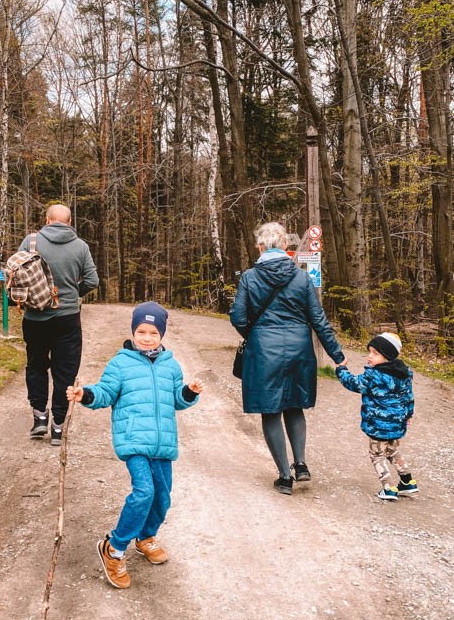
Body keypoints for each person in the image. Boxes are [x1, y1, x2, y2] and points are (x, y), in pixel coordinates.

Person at [67, 302, 204, 590]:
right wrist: (86, 394)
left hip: (162, 443)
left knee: (162, 498)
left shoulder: (171, 365)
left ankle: (145, 536)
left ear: (162, 335)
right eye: (141, 331)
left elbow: (176, 401)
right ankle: (114, 549)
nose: (146, 337)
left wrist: (188, 393)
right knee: (144, 492)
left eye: (153, 332)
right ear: (133, 331)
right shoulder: (121, 363)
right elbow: (105, 392)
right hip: (134, 441)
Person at [229, 221, 345, 495]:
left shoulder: (249, 277)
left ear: (260, 247)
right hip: (299, 350)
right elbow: (319, 320)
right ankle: (301, 463)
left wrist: (255, 334)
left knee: (271, 411)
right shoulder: (301, 277)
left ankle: (284, 476)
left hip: (263, 353)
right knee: (294, 406)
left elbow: (238, 317)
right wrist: (338, 356)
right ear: (284, 246)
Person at [19, 203, 98, 446]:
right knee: (65, 372)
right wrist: (74, 293)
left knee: (36, 366)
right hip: (67, 318)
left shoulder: (30, 242)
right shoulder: (80, 246)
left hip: (34, 317)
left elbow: (15, 273)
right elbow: (92, 280)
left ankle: (40, 417)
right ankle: (57, 428)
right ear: (69, 221)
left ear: (47, 219)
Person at [335, 332, 416, 501]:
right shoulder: (404, 373)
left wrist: (341, 369)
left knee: (377, 455)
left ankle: (388, 488)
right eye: (369, 352)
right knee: (393, 451)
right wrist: (409, 414)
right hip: (397, 424)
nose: (369, 356)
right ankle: (408, 482)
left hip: (378, 425)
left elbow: (354, 384)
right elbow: (409, 396)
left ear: (388, 356)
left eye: (375, 353)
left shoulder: (374, 375)